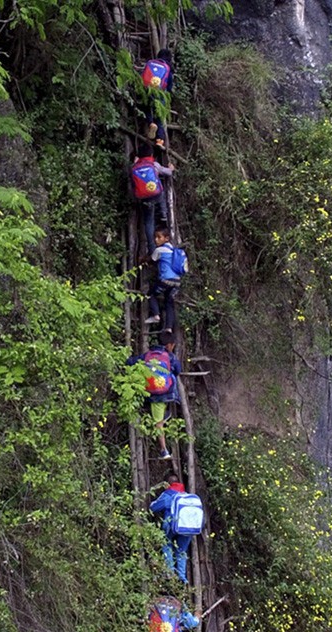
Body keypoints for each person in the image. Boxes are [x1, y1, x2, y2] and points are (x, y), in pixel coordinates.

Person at [128, 331, 183, 460]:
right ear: (169, 345)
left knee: (158, 420)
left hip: (151, 394)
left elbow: (130, 362)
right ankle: (164, 450)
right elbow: (178, 371)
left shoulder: (147, 355)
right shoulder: (170, 357)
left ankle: (164, 417)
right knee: (159, 424)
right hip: (167, 394)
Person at [131, 144, 175, 255]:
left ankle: (152, 250)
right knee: (161, 192)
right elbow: (168, 173)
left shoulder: (135, 166)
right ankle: (163, 214)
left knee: (148, 222)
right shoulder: (153, 164)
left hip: (145, 198)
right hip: (156, 195)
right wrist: (171, 168)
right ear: (151, 155)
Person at [150, 474, 195, 582]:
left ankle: (169, 572)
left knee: (166, 544)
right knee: (182, 551)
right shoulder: (187, 496)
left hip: (171, 524)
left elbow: (154, 508)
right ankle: (182, 578)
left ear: (167, 484)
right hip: (186, 527)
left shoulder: (167, 494)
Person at [145, 227, 187, 333]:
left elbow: (151, 260)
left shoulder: (159, 250)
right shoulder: (175, 251)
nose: (156, 240)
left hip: (165, 280)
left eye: (159, 237)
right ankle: (169, 327)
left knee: (150, 294)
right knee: (169, 302)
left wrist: (142, 259)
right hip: (177, 282)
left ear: (166, 238)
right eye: (155, 237)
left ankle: (156, 315)